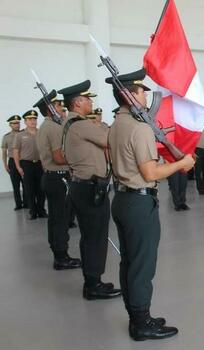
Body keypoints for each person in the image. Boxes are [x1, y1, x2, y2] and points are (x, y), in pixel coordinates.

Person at [107, 68, 194, 341]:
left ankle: (137, 315)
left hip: (122, 199)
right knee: (142, 265)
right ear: (130, 95)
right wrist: (182, 163)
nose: (146, 95)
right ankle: (142, 323)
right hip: (138, 202)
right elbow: (151, 173)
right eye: (142, 91)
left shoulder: (116, 125)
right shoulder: (139, 128)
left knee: (130, 262)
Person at [59, 79, 121, 299]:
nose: (90, 102)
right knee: (95, 236)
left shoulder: (68, 124)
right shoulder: (82, 124)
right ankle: (93, 285)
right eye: (87, 99)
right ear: (77, 103)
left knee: (90, 236)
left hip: (81, 186)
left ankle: (93, 281)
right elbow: (110, 140)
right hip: (89, 188)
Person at [35, 90, 81, 270]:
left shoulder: (45, 126)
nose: (61, 107)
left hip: (51, 177)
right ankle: (61, 257)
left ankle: (60, 254)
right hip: (58, 177)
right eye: (57, 105)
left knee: (55, 218)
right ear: (50, 108)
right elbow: (58, 157)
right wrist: (77, 159)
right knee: (60, 219)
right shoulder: (53, 128)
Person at [13, 110, 47, 219]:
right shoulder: (20, 135)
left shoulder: (41, 133)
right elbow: (16, 152)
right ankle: (33, 212)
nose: (33, 121)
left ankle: (41, 211)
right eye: (30, 119)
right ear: (25, 121)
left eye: (34, 119)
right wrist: (18, 167)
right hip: (26, 164)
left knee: (41, 189)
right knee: (29, 189)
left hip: (40, 164)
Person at [2, 115, 25, 210]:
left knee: (26, 183)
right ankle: (18, 204)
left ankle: (27, 202)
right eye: (14, 123)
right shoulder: (6, 137)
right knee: (15, 184)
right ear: (10, 125)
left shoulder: (24, 134)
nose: (17, 125)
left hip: (23, 161)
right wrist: (5, 164)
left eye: (18, 123)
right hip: (12, 161)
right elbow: (4, 152)